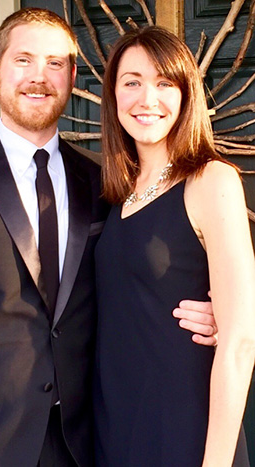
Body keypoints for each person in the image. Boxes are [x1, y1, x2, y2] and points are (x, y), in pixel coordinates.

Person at [0, 8, 219, 467]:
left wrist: (220, 317)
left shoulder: (106, 182)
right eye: (24, 60)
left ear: (73, 77)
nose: (40, 77)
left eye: (55, 63)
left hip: (89, 441)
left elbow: (138, 279)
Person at [93, 26, 255, 466]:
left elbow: (239, 341)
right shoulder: (114, 193)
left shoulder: (211, 180)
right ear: (113, 95)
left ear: (186, 96)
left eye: (165, 83)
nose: (147, 99)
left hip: (184, 433)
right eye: (132, 82)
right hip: (115, 430)